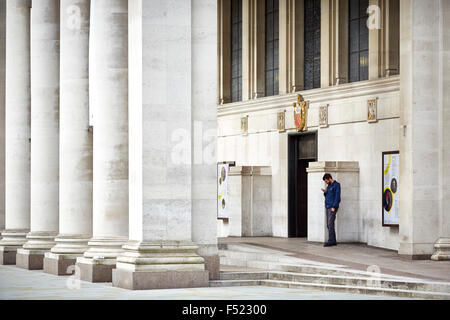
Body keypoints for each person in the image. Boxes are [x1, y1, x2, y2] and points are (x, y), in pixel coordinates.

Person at [321, 173, 341, 247]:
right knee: (329, 224)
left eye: (326, 181)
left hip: (332, 207)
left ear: (329, 178)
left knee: (330, 224)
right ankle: (333, 240)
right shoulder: (328, 186)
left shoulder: (337, 185)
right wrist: (325, 193)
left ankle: (331, 241)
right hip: (327, 206)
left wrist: (334, 206)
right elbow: (328, 195)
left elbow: (337, 196)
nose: (326, 183)